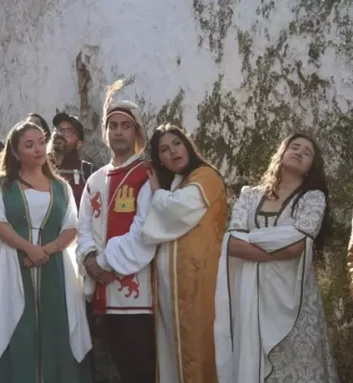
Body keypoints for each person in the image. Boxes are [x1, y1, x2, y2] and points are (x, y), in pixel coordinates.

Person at [215, 133, 338, 382]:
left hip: (294, 298)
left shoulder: (313, 198)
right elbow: (231, 243)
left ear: (311, 167)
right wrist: (278, 242)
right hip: (252, 298)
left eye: (308, 152)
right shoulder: (250, 195)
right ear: (281, 153)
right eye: (295, 147)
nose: (300, 152)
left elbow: (298, 247)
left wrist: (253, 239)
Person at [0, 121, 92, 382]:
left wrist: (47, 251)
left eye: (41, 141)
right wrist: (29, 248)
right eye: (29, 145)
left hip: (55, 268)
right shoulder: (0, 184)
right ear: (16, 153)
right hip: (13, 264)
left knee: (56, 327)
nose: (38, 149)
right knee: (18, 327)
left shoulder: (61, 186)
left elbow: (72, 226)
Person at [76, 80, 156, 383]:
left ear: (137, 133)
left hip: (136, 296)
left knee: (140, 371)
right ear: (106, 133)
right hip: (101, 293)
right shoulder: (95, 179)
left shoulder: (145, 175)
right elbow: (82, 226)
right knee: (111, 371)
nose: (119, 131)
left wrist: (104, 263)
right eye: (113, 126)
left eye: (125, 126)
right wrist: (89, 260)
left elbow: (146, 230)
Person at [142, 123, 227, 382]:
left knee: (198, 347)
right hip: (173, 286)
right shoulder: (179, 183)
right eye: (164, 150)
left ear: (187, 145)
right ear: (161, 161)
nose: (173, 152)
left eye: (177, 143)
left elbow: (178, 210)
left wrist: (157, 194)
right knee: (173, 349)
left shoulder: (206, 176)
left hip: (200, 278)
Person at [49, 112, 94, 208]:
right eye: (57, 129)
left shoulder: (88, 172)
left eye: (68, 132)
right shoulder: (39, 167)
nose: (60, 134)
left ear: (79, 144)